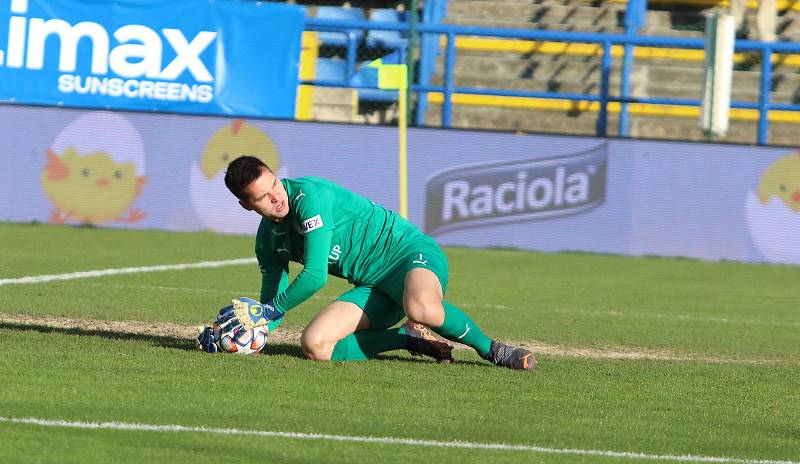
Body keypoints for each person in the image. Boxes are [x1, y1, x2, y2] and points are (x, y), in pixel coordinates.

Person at [197, 155, 536, 371]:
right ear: (247, 205)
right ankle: (409, 338)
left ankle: (492, 349)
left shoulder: (307, 198)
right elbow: (273, 301)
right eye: (263, 197)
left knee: (421, 307)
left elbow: (314, 276)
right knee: (315, 346)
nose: (276, 196)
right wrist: (247, 333)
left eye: (274, 184)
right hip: (374, 287)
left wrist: (266, 314)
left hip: (408, 255)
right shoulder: (267, 241)